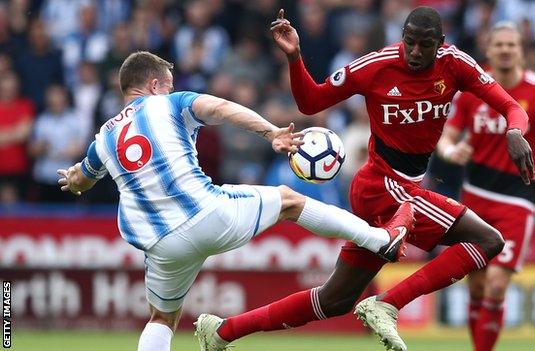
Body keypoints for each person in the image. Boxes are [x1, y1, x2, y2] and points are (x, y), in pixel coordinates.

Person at [197, 7, 535, 351]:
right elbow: (311, 101)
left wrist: (514, 131)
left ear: (441, 43)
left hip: (403, 186)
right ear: (401, 38)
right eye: (410, 42)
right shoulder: (376, 66)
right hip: (382, 186)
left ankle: (223, 331)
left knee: (335, 300)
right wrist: (295, 57)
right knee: (488, 240)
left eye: (425, 45)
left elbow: (513, 108)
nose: (415, 52)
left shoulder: (456, 64)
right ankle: (387, 303)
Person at [56, 51, 417, 351]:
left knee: (162, 317)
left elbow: (81, 180)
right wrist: (271, 132)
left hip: (161, 244)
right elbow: (223, 109)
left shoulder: (102, 138)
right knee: (289, 201)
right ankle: (382, 239)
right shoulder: (168, 104)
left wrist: (72, 179)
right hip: (207, 212)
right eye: (167, 84)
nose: (171, 89)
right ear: (153, 86)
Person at [437, 21, 535, 351]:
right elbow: (446, 137)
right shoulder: (471, 89)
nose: (505, 50)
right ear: (488, 49)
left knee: (497, 285)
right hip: (474, 197)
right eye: (499, 44)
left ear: (520, 50)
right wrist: (451, 152)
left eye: (511, 45)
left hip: (518, 198)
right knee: (477, 286)